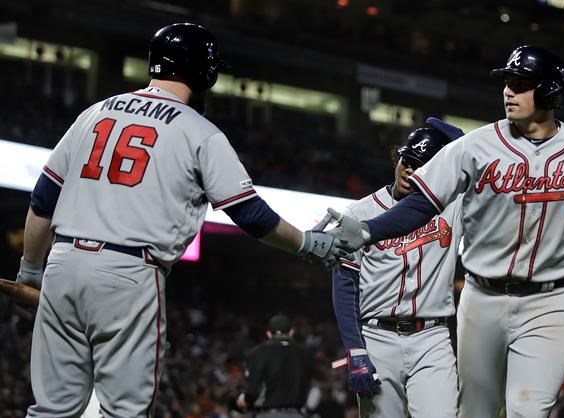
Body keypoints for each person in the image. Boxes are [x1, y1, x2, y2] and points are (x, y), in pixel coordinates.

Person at [14, 23, 344, 418]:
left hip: (63, 265)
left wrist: (30, 269)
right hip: (128, 273)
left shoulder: (95, 112)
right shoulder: (198, 131)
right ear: (206, 74)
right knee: (125, 413)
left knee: (51, 410)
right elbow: (250, 214)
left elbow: (43, 199)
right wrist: (306, 242)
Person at [325, 45, 564, 417]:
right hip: (482, 298)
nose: (508, 91)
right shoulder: (475, 145)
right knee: (475, 412)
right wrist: (369, 230)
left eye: (521, 83)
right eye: (507, 83)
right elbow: (421, 204)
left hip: (551, 300)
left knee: (528, 409)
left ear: (549, 92)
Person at [331, 120, 464, 418]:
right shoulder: (359, 212)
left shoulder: (454, 206)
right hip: (378, 338)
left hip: (433, 338)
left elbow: (474, 162)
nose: (410, 170)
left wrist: (455, 143)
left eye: (422, 166)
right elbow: (345, 285)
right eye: (408, 160)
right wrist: (355, 349)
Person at [235, 314, 313, 418]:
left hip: (269, 414)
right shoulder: (305, 354)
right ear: (291, 332)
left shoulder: (257, 353)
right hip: (297, 414)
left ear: (268, 334)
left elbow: (252, 391)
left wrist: (244, 399)